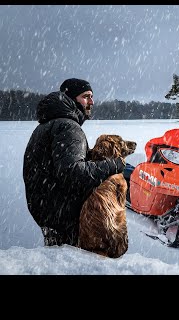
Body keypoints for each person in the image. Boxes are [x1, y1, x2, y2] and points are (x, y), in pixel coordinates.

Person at [23, 78, 126, 247]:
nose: (92, 101)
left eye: (92, 96)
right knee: (76, 260)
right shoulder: (68, 127)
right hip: (65, 214)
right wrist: (114, 165)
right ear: (70, 98)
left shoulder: (47, 124)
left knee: (60, 259)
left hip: (48, 211)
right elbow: (73, 173)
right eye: (86, 96)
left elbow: (58, 164)